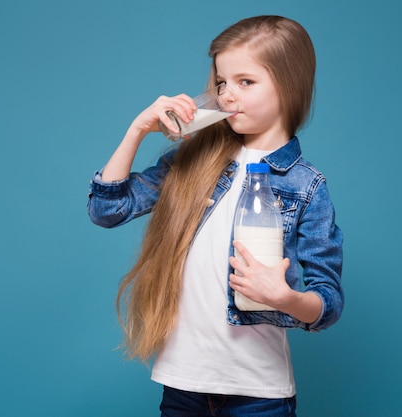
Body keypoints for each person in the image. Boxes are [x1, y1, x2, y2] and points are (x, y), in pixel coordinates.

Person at [88, 15, 343, 417]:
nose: (226, 95)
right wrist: (138, 129)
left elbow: (328, 302)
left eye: (246, 82)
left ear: (288, 85)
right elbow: (107, 209)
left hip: (259, 394)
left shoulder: (306, 185)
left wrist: (287, 298)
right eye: (221, 83)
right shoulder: (192, 161)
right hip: (183, 386)